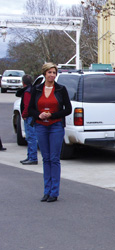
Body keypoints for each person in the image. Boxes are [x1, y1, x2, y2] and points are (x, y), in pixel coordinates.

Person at [28, 62, 72, 203]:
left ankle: (54, 192)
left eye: (54, 72)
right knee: (45, 158)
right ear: (44, 73)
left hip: (56, 126)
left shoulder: (60, 89)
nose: (52, 75)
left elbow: (68, 109)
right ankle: (46, 191)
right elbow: (30, 109)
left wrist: (52, 115)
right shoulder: (37, 89)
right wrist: (39, 115)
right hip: (41, 126)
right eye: (50, 72)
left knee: (54, 159)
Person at [17, 74, 38, 165]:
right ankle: (30, 156)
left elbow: (27, 105)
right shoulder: (32, 89)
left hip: (29, 117)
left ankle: (32, 157)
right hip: (31, 116)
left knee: (30, 137)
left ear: (23, 82)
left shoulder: (27, 92)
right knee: (30, 137)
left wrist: (24, 114)